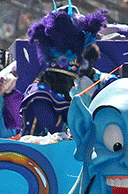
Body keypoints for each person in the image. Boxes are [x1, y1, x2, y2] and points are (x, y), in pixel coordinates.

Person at [21, 8, 108, 136]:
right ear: (61, 80)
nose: (72, 85)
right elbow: (52, 128)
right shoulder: (39, 94)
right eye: (70, 81)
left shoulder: (58, 97)